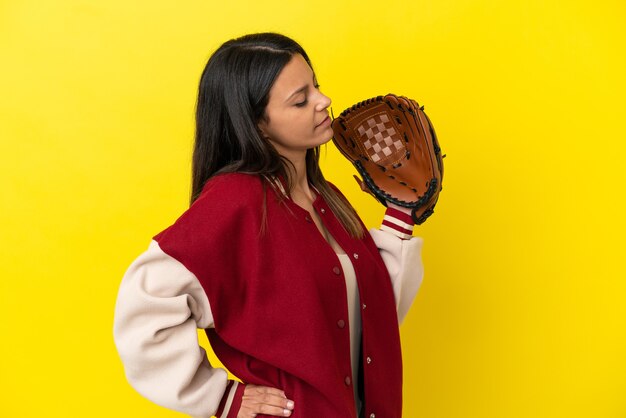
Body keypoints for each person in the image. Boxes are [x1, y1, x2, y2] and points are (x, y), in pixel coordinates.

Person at [113, 32, 424, 418]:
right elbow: (146, 309)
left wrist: (401, 214)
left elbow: (368, 316)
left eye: (317, 86)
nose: (323, 101)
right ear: (257, 124)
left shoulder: (326, 197)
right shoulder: (235, 202)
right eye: (301, 99)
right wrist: (221, 398)